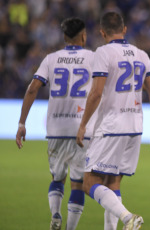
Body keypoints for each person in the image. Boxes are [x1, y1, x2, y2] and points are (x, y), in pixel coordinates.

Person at [76, 11, 150, 230]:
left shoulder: (103, 52)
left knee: (89, 183)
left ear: (102, 32)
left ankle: (128, 218)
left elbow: (96, 93)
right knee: (113, 182)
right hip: (135, 127)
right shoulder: (142, 54)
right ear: (124, 30)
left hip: (111, 126)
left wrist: (83, 124)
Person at [15, 17, 94, 230]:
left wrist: (22, 122)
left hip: (56, 128)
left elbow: (32, 89)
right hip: (82, 128)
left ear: (65, 37)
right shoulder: (93, 58)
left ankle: (55, 214)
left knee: (57, 178)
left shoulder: (51, 59)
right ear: (84, 36)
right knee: (78, 183)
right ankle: (69, 228)